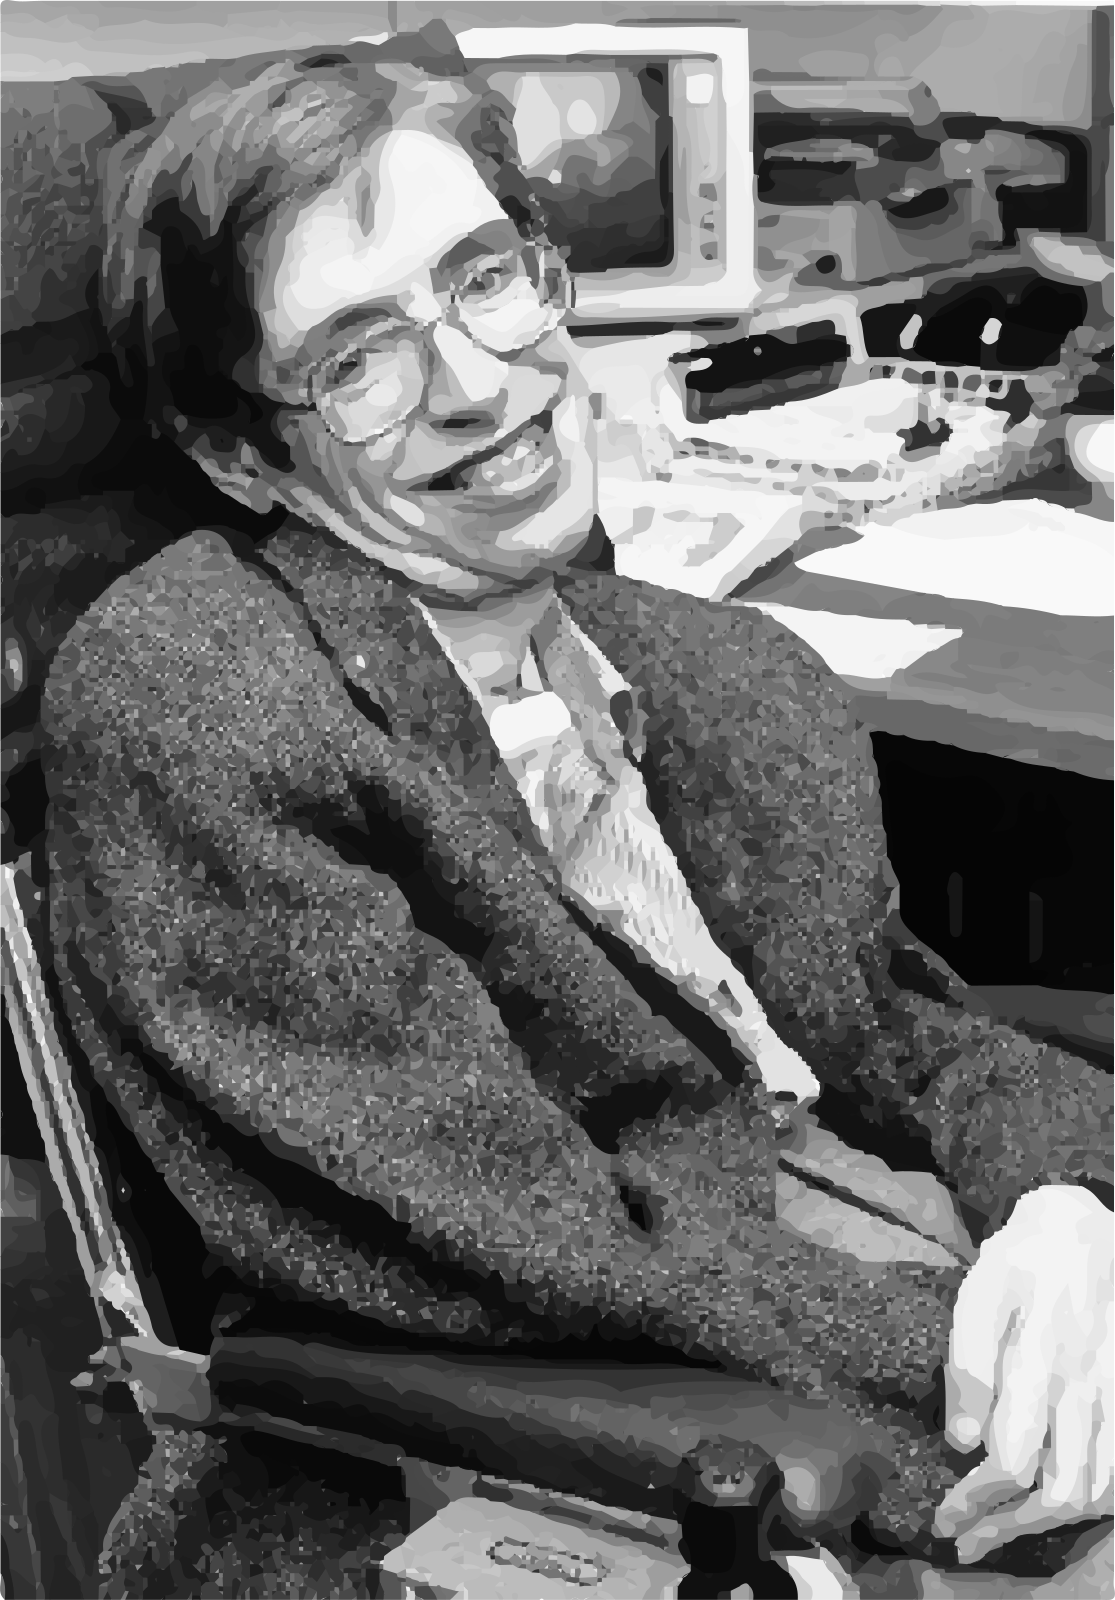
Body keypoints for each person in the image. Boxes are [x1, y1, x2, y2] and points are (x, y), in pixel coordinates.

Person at [40, 26, 1112, 1593]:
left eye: (483, 279)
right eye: (355, 358)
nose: (479, 384)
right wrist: (1007, 1379)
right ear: (238, 452)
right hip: (609, 1443)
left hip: (896, 1308)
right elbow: (512, 1241)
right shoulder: (196, 697)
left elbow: (900, 1033)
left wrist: (1071, 1211)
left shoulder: (715, 669)